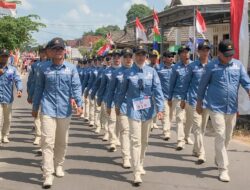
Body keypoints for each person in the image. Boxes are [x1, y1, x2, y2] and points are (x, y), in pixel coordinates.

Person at [32, 38, 83, 188]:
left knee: (62, 141)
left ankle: (58, 165)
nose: (58, 51)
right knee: (47, 141)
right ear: (50, 51)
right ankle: (47, 174)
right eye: (55, 49)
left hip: (64, 110)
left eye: (60, 49)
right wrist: (35, 107)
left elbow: (76, 87)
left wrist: (79, 104)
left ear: (64, 51)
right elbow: (39, 88)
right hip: (47, 109)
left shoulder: (71, 68)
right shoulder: (44, 68)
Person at [197, 39, 250, 182]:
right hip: (215, 107)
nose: (229, 57)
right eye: (226, 55)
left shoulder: (238, 65)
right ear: (219, 53)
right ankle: (223, 168)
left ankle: (219, 156)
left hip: (231, 107)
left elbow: (246, 82)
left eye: (231, 55)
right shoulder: (211, 66)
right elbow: (202, 85)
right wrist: (199, 101)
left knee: (227, 137)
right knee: (220, 135)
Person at [116, 46, 164, 186]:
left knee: (144, 141)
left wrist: (160, 108)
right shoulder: (128, 73)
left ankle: (140, 163)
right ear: (134, 56)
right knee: (135, 140)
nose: (140, 57)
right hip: (133, 110)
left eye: (143, 54)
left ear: (146, 56)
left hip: (148, 111)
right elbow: (122, 91)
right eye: (138, 54)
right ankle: (136, 171)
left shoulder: (152, 72)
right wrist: (118, 106)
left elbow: (158, 90)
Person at [182, 40, 211, 164]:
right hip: (194, 101)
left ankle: (195, 149)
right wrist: (183, 99)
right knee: (197, 127)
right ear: (198, 51)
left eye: (207, 50)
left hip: (208, 102)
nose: (205, 52)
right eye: (203, 50)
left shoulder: (213, 66)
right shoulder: (192, 66)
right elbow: (185, 84)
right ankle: (202, 153)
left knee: (202, 128)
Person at [106, 48, 134, 168]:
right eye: (125, 56)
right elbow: (111, 90)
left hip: (136, 106)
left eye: (130, 56)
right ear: (122, 58)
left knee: (135, 133)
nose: (128, 59)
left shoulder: (138, 71)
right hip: (121, 105)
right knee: (125, 131)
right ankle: (126, 156)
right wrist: (108, 105)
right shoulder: (116, 73)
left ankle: (134, 153)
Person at [168, 45, 194, 150]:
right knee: (179, 118)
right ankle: (180, 140)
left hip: (191, 97)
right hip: (178, 96)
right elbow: (172, 83)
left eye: (187, 51)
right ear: (179, 55)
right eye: (183, 52)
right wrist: (169, 98)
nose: (185, 54)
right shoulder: (175, 67)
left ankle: (187, 136)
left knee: (190, 119)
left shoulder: (195, 65)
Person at [97, 49, 122, 151]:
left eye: (118, 57)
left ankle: (117, 137)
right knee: (112, 121)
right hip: (109, 99)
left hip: (121, 101)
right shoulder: (106, 71)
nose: (116, 59)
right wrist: (99, 98)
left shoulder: (125, 71)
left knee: (120, 122)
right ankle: (112, 141)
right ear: (111, 58)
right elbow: (102, 86)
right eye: (114, 57)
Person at [0, 49, 22, 145]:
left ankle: (5, 135)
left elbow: (18, 80)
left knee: (7, 119)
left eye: (6, 56)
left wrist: (19, 90)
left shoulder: (12, 69)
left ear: (8, 57)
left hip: (8, 98)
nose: (4, 58)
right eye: (2, 56)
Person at [27, 45, 48, 145]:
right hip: (37, 93)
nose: (44, 54)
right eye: (42, 52)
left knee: (46, 118)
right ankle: (38, 136)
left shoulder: (51, 65)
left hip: (48, 96)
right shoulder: (35, 66)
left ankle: (45, 139)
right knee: (37, 116)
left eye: (46, 52)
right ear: (40, 54)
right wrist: (30, 94)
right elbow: (32, 81)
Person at [156, 51, 176, 141]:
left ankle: (167, 127)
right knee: (166, 114)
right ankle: (166, 132)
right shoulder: (158, 68)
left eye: (172, 56)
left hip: (174, 96)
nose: (171, 58)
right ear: (164, 58)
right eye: (169, 56)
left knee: (171, 115)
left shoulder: (176, 68)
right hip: (163, 96)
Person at [148, 50, 160, 130]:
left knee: (156, 106)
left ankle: (154, 122)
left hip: (157, 90)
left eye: (155, 57)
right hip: (149, 90)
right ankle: (151, 122)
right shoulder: (146, 67)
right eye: (152, 57)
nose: (153, 58)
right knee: (150, 106)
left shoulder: (160, 67)